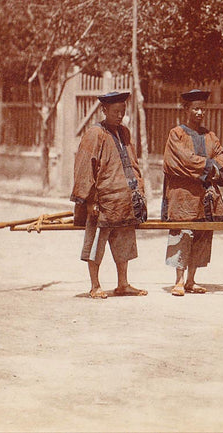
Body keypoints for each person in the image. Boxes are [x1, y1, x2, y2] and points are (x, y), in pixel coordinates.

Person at [71, 91, 148, 299]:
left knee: (124, 242)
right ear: (104, 110)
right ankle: (95, 285)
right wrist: (89, 200)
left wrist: (138, 189)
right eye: (115, 111)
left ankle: (123, 284)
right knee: (96, 242)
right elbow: (85, 167)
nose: (120, 115)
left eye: (122, 111)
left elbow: (133, 163)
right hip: (102, 201)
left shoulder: (124, 133)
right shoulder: (95, 134)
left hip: (124, 201)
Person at [162, 89, 223, 297]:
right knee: (183, 234)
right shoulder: (177, 134)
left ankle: (191, 280)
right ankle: (179, 280)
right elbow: (181, 160)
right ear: (186, 109)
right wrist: (209, 167)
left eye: (203, 109)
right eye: (196, 108)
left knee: (202, 234)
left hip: (206, 196)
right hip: (183, 195)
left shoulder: (210, 136)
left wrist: (212, 167)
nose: (200, 112)